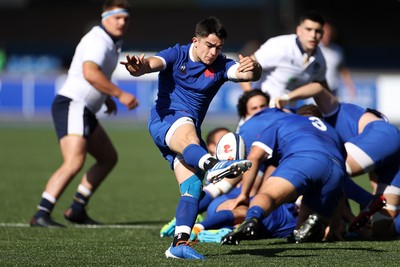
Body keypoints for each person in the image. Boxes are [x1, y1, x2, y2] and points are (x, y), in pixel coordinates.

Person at [120, 16, 261, 260]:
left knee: (193, 189)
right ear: (195, 41)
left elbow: (248, 75)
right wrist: (140, 68)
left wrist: (254, 67)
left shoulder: (220, 65)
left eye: (218, 47)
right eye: (209, 45)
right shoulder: (178, 54)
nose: (213, 52)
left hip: (188, 129)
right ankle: (215, 165)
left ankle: (179, 244)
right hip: (166, 120)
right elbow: (153, 63)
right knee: (189, 136)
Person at [30, 0, 138, 228]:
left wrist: (106, 97)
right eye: (118, 17)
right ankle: (41, 213)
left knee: (108, 157)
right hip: (73, 104)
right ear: (105, 17)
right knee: (74, 161)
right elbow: (89, 73)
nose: (122, 22)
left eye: (126, 19)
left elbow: (92, 74)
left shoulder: (110, 41)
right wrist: (119, 94)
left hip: (84, 109)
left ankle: (77, 208)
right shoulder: (98, 40)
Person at [272, 83, 397, 238]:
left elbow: (317, 88)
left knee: (326, 171)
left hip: (382, 133)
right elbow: (375, 179)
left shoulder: (331, 113)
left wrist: (286, 98)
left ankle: (362, 202)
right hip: (391, 150)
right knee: (383, 229)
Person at [221, 107, 347, 245]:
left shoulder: (284, 120)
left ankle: (251, 220)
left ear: (298, 115)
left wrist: (244, 194)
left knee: (269, 196)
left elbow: (254, 156)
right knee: (302, 231)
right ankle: (318, 222)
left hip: (303, 158)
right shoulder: (334, 132)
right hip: (335, 169)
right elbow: (342, 186)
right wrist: (334, 227)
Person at [241, 11, 329, 108]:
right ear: (299, 30)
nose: (313, 35)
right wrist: (251, 97)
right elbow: (246, 67)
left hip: (288, 112)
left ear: (322, 34)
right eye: (308, 29)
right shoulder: (279, 46)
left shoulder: (320, 59)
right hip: (262, 109)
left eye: (318, 31)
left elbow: (321, 87)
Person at [319, 22, 356, 100]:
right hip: (318, 89)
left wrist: (350, 86)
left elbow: (342, 69)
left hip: (333, 89)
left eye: (329, 33)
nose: (327, 36)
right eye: (324, 33)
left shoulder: (337, 50)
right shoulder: (315, 49)